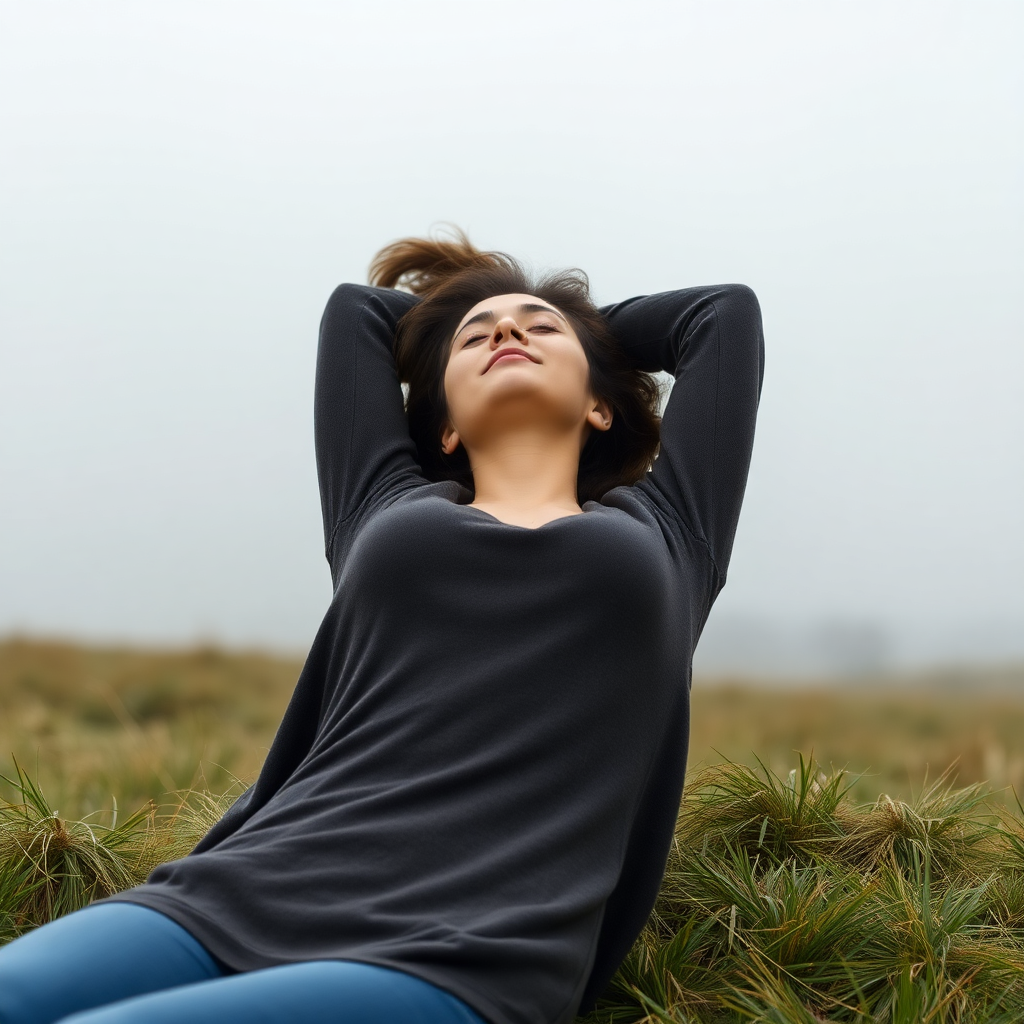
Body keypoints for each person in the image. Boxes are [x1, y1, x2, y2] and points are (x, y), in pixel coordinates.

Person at [0, 232, 764, 1024]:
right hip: (244, 888)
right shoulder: (384, 507)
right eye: (476, 336)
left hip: (466, 950)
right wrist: (519, 323)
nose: (506, 332)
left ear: (600, 404)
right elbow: (356, 313)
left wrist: (576, 325)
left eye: (538, 329)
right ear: (444, 430)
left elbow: (723, 317)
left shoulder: (673, 533)